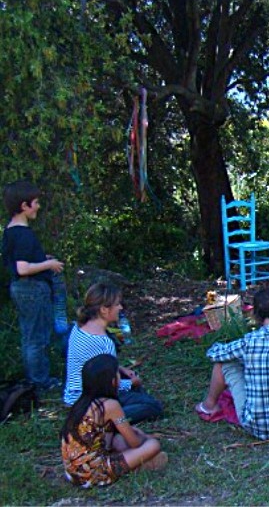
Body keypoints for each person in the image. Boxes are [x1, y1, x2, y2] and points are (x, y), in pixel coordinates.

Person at [196, 287, 269, 440]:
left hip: (259, 427)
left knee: (223, 364)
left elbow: (214, 354)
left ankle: (209, 406)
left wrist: (223, 343)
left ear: (254, 315)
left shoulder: (249, 342)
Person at [61, 354, 167, 488]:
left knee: (119, 440)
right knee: (153, 445)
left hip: (73, 472)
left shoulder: (81, 404)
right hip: (92, 473)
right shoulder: (110, 405)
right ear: (112, 381)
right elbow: (134, 443)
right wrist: (144, 438)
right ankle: (141, 465)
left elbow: (114, 436)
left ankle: (136, 462)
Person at [64, 283, 163, 423]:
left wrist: (121, 369)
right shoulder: (103, 342)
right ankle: (106, 419)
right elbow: (111, 385)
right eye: (117, 304)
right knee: (152, 406)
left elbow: (95, 364)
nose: (120, 308)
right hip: (88, 400)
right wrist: (131, 383)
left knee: (135, 389)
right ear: (104, 309)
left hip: (75, 394)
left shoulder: (78, 327)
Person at [1, 180, 65, 391]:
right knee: (36, 337)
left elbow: (21, 260)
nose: (38, 206)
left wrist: (40, 258)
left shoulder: (10, 231)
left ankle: (37, 379)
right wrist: (49, 264)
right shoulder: (23, 234)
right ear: (24, 206)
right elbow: (22, 268)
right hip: (31, 288)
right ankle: (39, 382)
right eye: (35, 202)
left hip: (23, 288)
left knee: (32, 334)